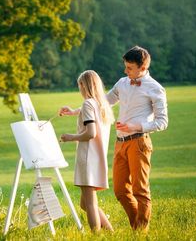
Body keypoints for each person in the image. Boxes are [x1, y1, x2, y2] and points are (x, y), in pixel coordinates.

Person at [106, 45, 168, 231]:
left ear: (143, 67)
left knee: (140, 191)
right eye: (125, 67)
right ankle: (138, 229)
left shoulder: (155, 88)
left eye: (130, 68)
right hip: (120, 143)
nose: (125, 71)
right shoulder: (122, 83)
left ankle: (140, 232)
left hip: (139, 143)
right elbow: (103, 103)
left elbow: (162, 122)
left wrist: (137, 126)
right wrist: (77, 111)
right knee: (119, 191)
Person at [59, 70, 114, 232]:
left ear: (84, 85)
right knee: (85, 203)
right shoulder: (102, 104)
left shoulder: (88, 104)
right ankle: (110, 232)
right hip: (97, 158)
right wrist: (73, 111)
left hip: (88, 158)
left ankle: (95, 235)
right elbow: (89, 112)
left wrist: (71, 137)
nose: (79, 89)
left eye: (79, 86)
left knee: (90, 203)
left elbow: (91, 133)